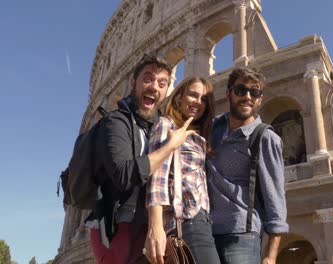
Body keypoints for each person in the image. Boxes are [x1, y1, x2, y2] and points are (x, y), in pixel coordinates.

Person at [85, 54, 195, 264]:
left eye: (162, 83)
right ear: (133, 82)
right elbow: (124, 175)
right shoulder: (115, 122)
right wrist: (171, 146)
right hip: (117, 225)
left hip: (146, 224)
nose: (155, 87)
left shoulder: (156, 126)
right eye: (148, 79)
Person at [207, 67, 289, 264]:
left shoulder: (265, 138)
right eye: (240, 90)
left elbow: (275, 196)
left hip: (241, 234)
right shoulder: (213, 128)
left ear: (260, 99)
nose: (247, 97)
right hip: (205, 232)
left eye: (255, 92)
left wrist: (270, 256)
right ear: (229, 93)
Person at [144, 77, 220, 264]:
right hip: (186, 220)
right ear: (179, 97)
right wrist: (155, 226)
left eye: (203, 99)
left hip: (200, 221)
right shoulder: (166, 124)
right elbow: (157, 176)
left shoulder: (197, 135)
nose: (198, 102)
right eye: (193, 95)